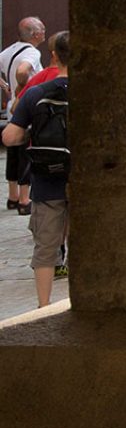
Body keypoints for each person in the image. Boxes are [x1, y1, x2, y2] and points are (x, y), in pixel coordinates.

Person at [4, 39, 69, 306]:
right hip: (88, 180)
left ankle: (43, 307)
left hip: (47, 179)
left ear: (54, 56)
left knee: (45, 247)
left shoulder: (37, 91)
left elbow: (9, 137)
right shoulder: (98, 92)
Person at [3, 15, 46, 214]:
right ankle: (24, 199)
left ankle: (11, 197)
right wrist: (22, 86)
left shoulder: (8, 51)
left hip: (12, 108)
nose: (44, 33)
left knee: (12, 153)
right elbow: (23, 70)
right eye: (43, 30)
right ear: (36, 34)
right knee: (25, 154)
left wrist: (6, 86)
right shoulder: (32, 53)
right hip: (26, 109)